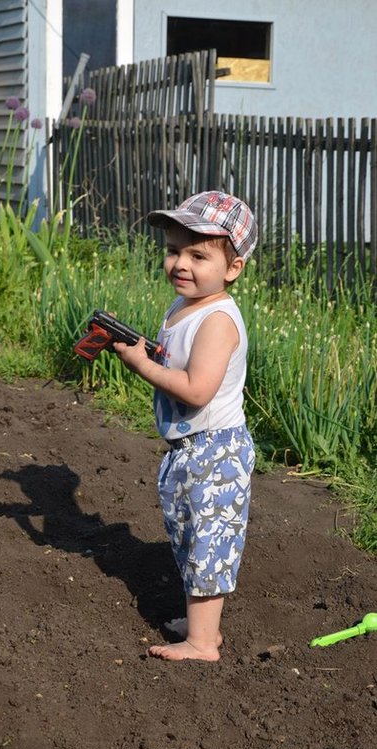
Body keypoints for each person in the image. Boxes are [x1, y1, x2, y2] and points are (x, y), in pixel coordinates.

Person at [113, 190, 257, 661]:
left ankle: (202, 643)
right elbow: (173, 359)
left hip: (216, 451)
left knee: (208, 544)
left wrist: (141, 365)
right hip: (189, 449)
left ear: (232, 268)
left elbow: (196, 390)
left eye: (198, 256)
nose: (180, 264)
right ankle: (202, 626)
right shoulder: (183, 306)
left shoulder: (217, 320)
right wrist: (144, 349)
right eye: (174, 250)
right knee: (189, 535)